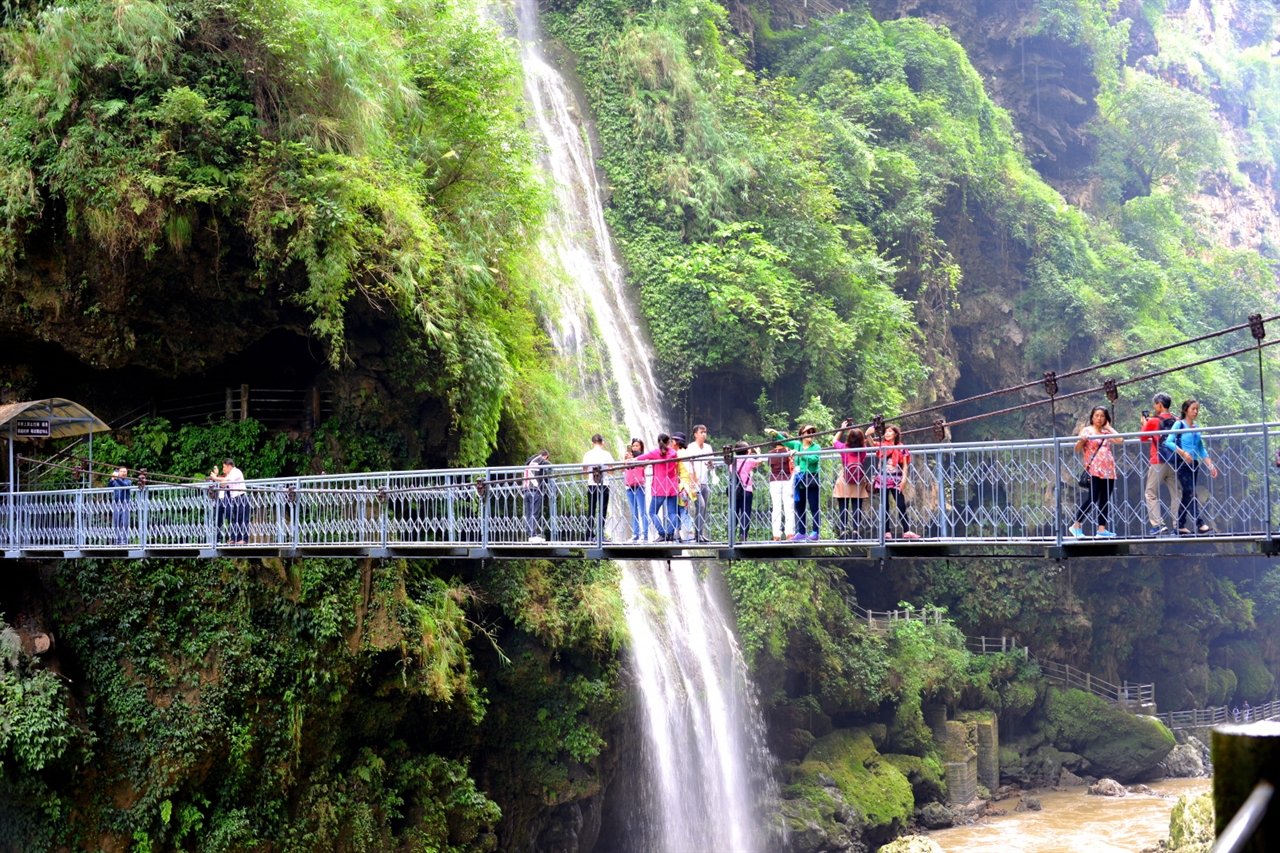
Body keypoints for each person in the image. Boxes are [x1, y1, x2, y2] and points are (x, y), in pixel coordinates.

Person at [1164, 399, 1218, 535]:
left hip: (1194, 464)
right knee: (1192, 493)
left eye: (1197, 409)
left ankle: (1180, 525)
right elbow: (1168, 442)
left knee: (1188, 496)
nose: (1195, 411)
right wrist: (1183, 453)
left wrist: (1211, 465)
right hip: (1182, 463)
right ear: (1185, 410)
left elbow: (1201, 448)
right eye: (1193, 408)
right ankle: (1200, 524)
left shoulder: (1196, 427)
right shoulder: (1179, 424)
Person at [1069, 407, 1123, 538]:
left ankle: (1102, 530)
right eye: (1097, 415)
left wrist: (1109, 428)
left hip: (1109, 471)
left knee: (1104, 500)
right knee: (1093, 499)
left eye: (1102, 416)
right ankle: (1076, 526)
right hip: (1094, 470)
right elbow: (1077, 448)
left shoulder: (1106, 433)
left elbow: (1120, 440)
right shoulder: (1087, 431)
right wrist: (1082, 439)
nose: (1099, 418)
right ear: (1092, 417)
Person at [767, 426, 824, 541]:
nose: (811, 434)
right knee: (800, 506)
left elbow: (814, 459)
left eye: (812, 432)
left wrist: (800, 454)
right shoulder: (797, 444)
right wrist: (775, 433)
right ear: (802, 434)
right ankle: (801, 532)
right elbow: (785, 441)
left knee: (814, 506)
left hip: (811, 478)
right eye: (808, 432)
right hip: (799, 479)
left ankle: (815, 532)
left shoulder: (816, 447)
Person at [1139, 393, 1180, 536]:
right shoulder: (1177, 419)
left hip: (1158, 461)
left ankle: (1158, 524)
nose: (1154, 407)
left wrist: (1145, 424)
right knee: (1176, 494)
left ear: (1160, 405)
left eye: (1155, 405)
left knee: (1150, 493)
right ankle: (1178, 524)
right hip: (1175, 461)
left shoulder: (1154, 421)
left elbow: (1143, 438)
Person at [871, 425, 920, 539]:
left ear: (896, 434)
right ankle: (886, 532)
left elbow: (905, 465)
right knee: (885, 505)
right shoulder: (882, 445)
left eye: (890, 432)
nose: (887, 434)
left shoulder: (901, 447)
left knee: (901, 504)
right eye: (886, 432)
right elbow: (872, 444)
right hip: (883, 479)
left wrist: (904, 480)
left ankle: (907, 531)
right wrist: (869, 434)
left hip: (896, 479)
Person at [635, 434, 679, 541]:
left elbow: (640, 458)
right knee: (672, 512)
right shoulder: (674, 453)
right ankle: (670, 534)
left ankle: (662, 533)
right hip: (672, 486)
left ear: (658, 441)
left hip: (659, 487)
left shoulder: (655, 453)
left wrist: (630, 460)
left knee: (652, 512)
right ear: (668, 442)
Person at [833, 421, 870, 540]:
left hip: (845, 478)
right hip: (858, 480)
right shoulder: (863, 449)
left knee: (843, 506)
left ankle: (843, 532)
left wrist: (842, 429)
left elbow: (834, 441)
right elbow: (862, 441)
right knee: (857, 507)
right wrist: (856, 430)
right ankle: (855, 531)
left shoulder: (844, 448)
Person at [684, 425, 716, 543]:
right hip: (694, 482)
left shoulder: (708, 447)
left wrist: (711, 463)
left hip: (704, 481)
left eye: (705, 432)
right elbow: (689, 464)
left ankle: (700, 534)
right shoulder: (691, 447)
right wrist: (694, 481)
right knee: (700, 505)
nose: (704, 434)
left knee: (704, 508)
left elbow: (712, 465)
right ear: (695, 434)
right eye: (701, 432)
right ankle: (697, 535)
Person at [582, 434, 614, 541]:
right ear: (602, 443)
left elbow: (585, 472)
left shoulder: (587, 454)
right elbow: (611, 471)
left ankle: (589, 535)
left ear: (592, 443)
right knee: (602, 509)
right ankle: (600, 535)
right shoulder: (606, 454)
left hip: (591, 484)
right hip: (604, 484)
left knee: (591, 509)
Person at [209, 457, 248, 544]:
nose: (223, 469)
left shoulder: (236, 472)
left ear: (229, 466)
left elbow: (228, 480)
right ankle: (234, 539)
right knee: (235, 519)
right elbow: (223, 484)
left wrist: (215, 478)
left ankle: (244, 539)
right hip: (234, 498)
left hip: (241, 497)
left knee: (243, 519)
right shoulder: (230, 474)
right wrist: (214, 479)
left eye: (224, 467)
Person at [729, 441, 763, 541]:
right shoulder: (749, 460)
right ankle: (743, 535)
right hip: (746, 490)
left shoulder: (732, 461)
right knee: (745, 513)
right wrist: (758, 453)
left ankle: (731, 536)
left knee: (734, 513)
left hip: (734, 491)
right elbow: (760, 461)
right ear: (748, 451)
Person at [767, 441, 796, 541]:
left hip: (774, 481)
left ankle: (776, 534)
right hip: (787, 480)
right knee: (789, 507)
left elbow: (770, 465)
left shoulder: (770, 453)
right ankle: (789, 533)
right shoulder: (788, 450)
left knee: (776, 507)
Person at [522, 449, 551, 543]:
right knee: (534, 513)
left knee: (529, 513)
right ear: (545, 456)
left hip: (525, 489)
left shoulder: (529, 460)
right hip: (534, 489)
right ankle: (532, 535)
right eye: (546, 458)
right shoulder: (540, 459)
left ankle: (530, 533)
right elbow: (550, 467)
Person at [673, 432, 698, 542]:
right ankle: (677, 532)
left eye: (673, 441)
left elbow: (690, 470)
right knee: (679, 510)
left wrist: (692, 486)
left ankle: (690, 532)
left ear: (678, 442)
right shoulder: (683, 453)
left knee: (683, 510)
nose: (671, 443)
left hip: (684, 486)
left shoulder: (681, 454)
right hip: (682, 485)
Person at [623, 438, 649, 542]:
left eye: (637, 446)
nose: (634, 448)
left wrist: (635, 459)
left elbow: (645, 465)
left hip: (639, 486)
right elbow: (622, 469)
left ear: (641, 447)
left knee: (642, 511)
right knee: (634, 512)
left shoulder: (643, 458)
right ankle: (635, 534)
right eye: (633, 446)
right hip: (629, 486)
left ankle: (645, 534)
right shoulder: (628, 458)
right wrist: (625, 460)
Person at [109, 466, 132, 545]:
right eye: (121, 471)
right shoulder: (115, 481)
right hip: (116, 504)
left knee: (125, 523)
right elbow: (109, 487)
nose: (123, 473)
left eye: (125, 471)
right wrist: (112, 479)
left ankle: (125, 541)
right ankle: (117, 541)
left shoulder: (128, 481)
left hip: (125, 504)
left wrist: (117, 478)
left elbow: (124, 486)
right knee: (116, 523)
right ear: (118, 472)